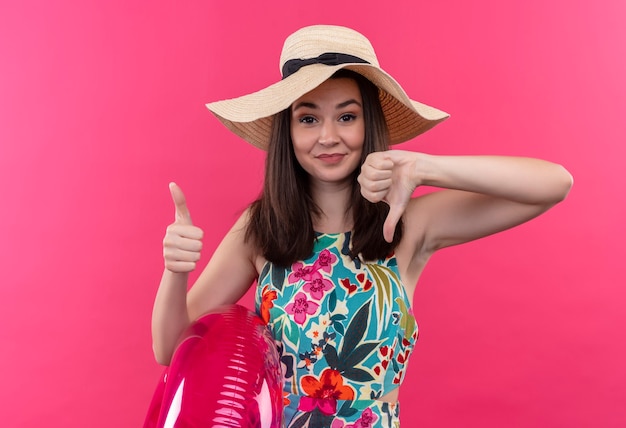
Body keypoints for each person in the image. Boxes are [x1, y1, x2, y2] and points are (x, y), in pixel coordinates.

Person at [151, 25, 573, 427]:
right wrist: (175, 272)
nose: (328, 136)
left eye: (347, 117)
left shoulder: (407, 224)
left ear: (369, 123)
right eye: (309, 118)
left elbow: (553, 184)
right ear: (289, 130)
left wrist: (423, 167)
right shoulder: (262, 228)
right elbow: (170, 349)